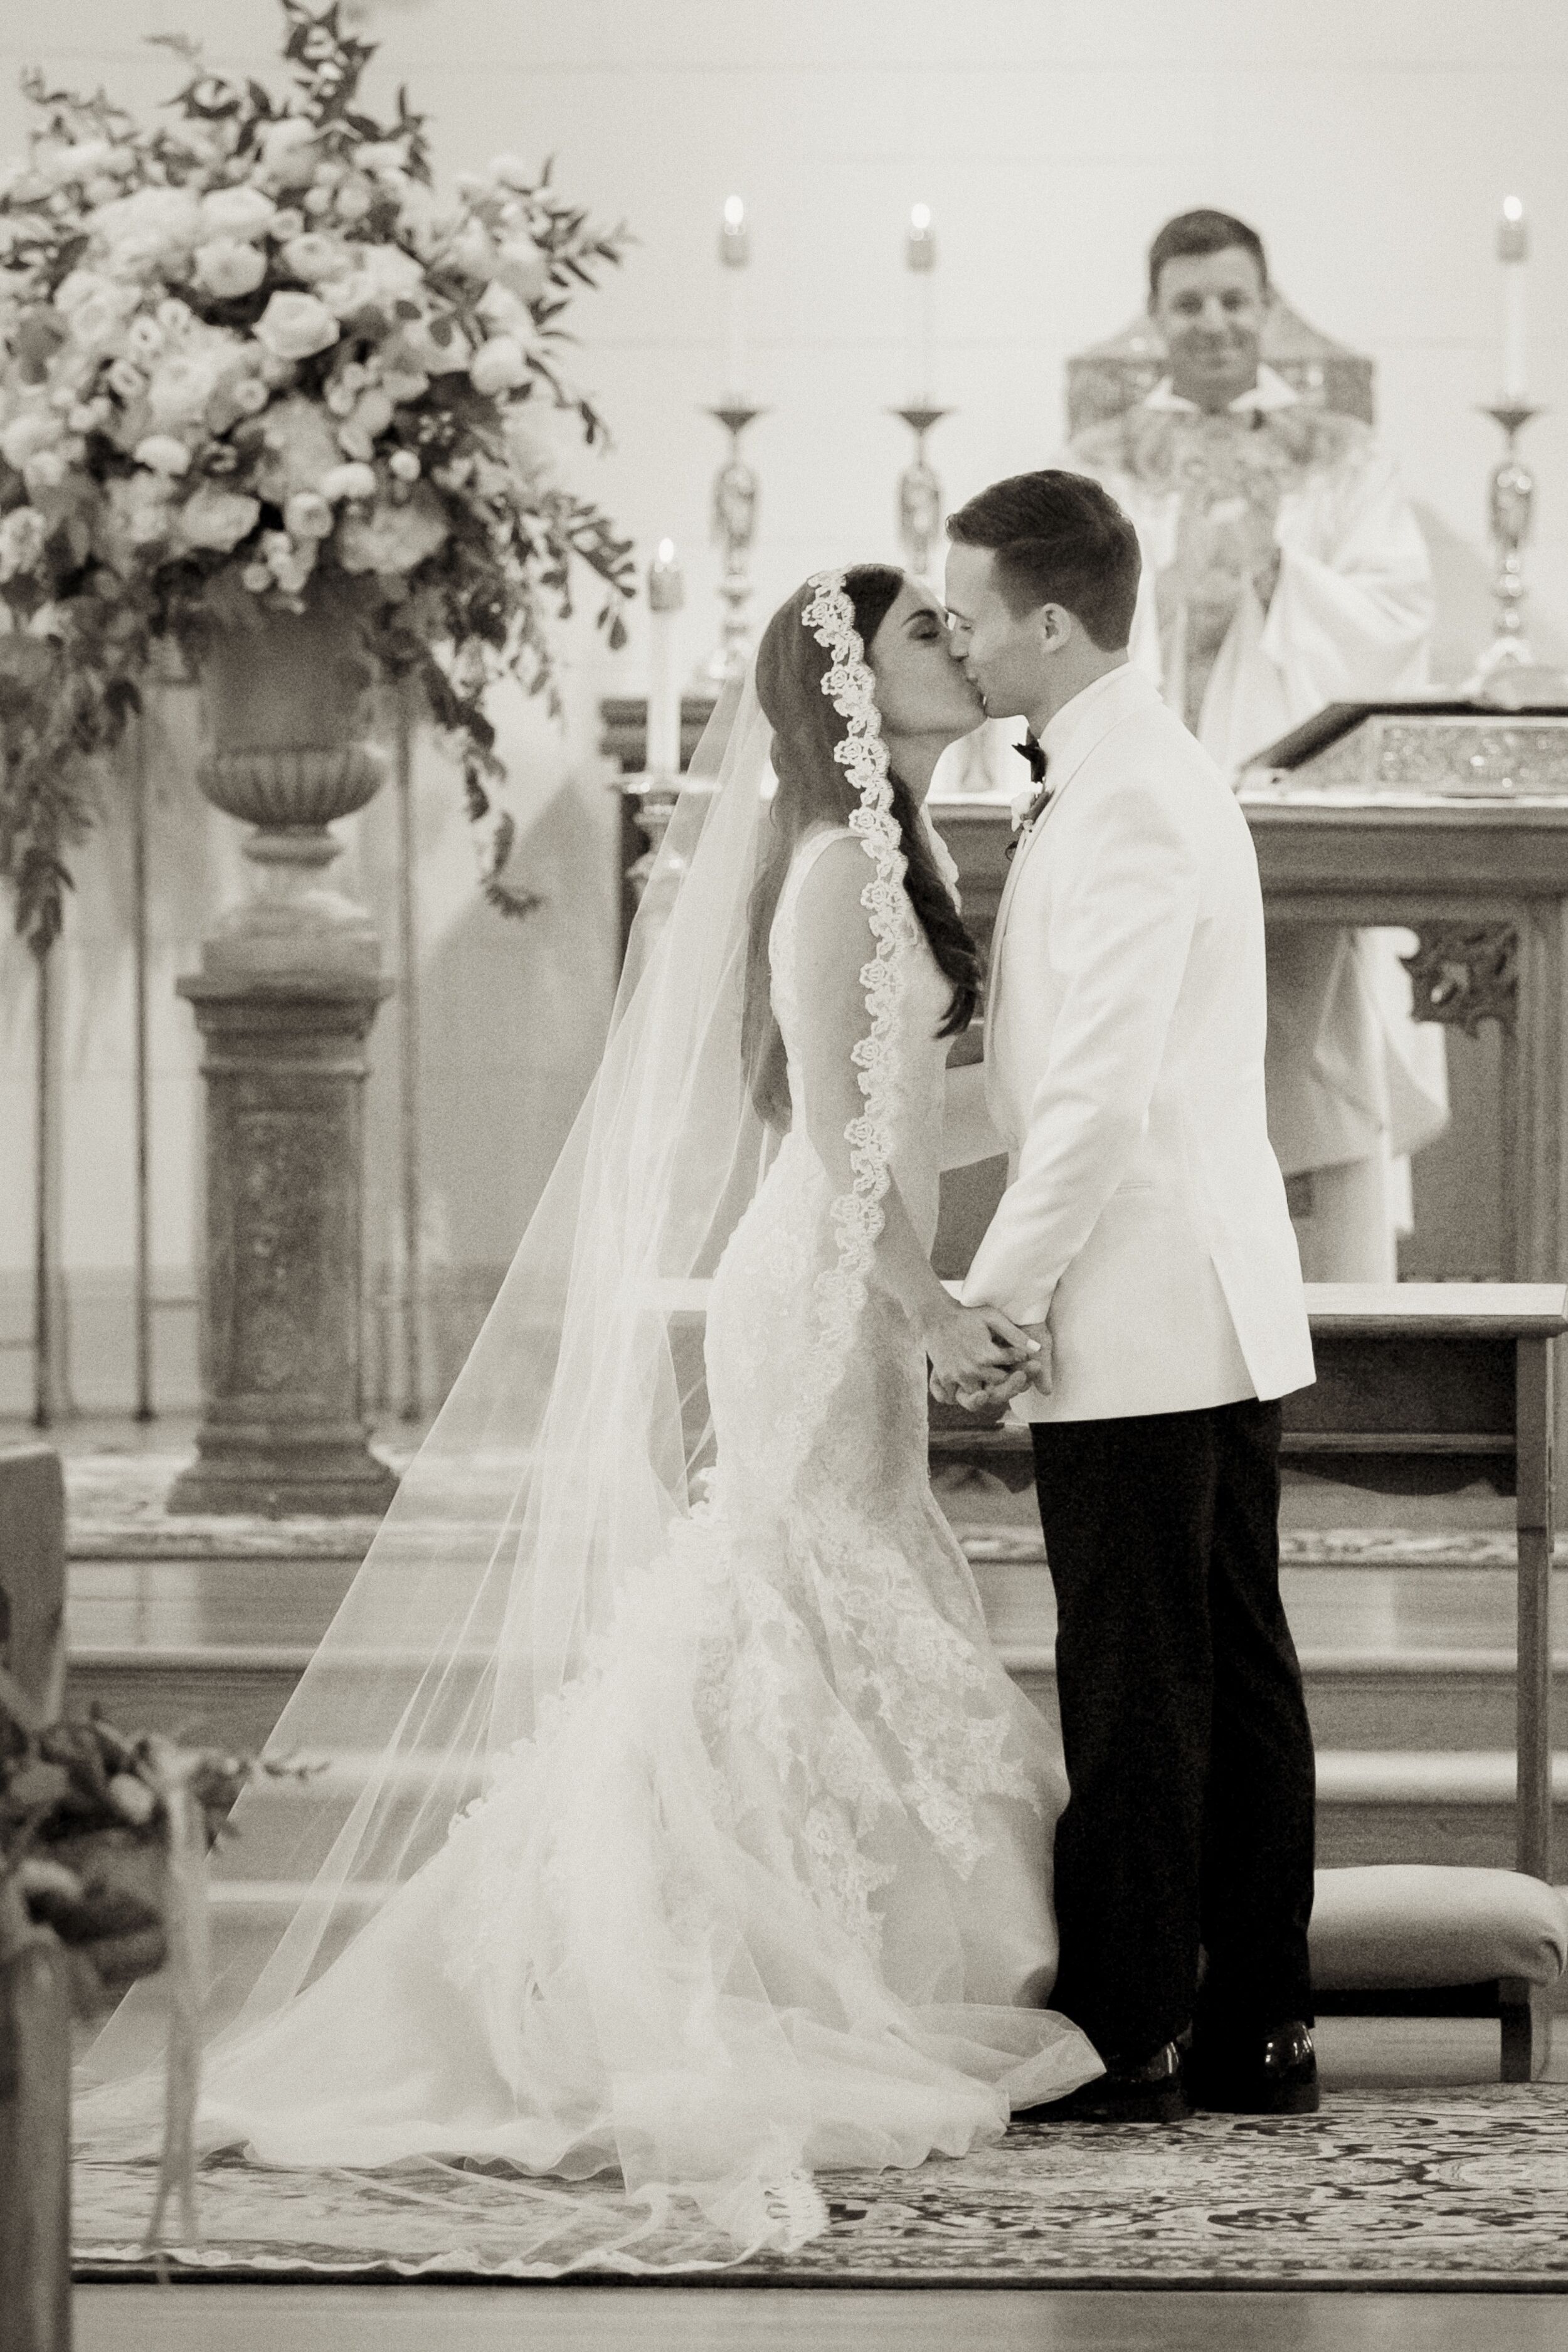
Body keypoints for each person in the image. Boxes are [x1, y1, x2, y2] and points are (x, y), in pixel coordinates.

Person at [78, 565, 1101, 2270]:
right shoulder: (843, 861)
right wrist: (926, 1309)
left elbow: (906, 1111)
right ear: (844, 687)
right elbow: (843, 1150)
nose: (960, 639)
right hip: (825, 1280)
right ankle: (676, 1950)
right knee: (777, 1598)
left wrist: (1083, 1141)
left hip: (852, 1268)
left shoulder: (894, 849)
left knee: (818, 1594)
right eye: (924, 626)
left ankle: (795, 1930)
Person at [943, 469, 1320, 2124]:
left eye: (964, 615)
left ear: (1044, 617)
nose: (952, 641)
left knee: (1142, 1673)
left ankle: (1136, 2025)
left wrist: (990, 1294)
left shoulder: (1132, 794)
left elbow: (1092, 1096)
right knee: (1217, 1663)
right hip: (1187, 1293)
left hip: (1141, 1301)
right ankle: (1251, 2022)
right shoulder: (1115, 773)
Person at [1069, 208, 1448, 1281]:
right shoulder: (1096, 466)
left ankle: (1343, 1321)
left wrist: (1283, 578)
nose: (1215, 322)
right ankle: (1161, 1303)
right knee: (1146, 1049)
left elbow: (1397, 612)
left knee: (1314, 1051)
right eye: (1188, 302)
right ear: (1153, 317)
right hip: (1148, 816)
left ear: (1269, 306)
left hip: (1298, 807)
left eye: (1236, 298)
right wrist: (1174, 599)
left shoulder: (1344, 457)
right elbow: (1050, 615)